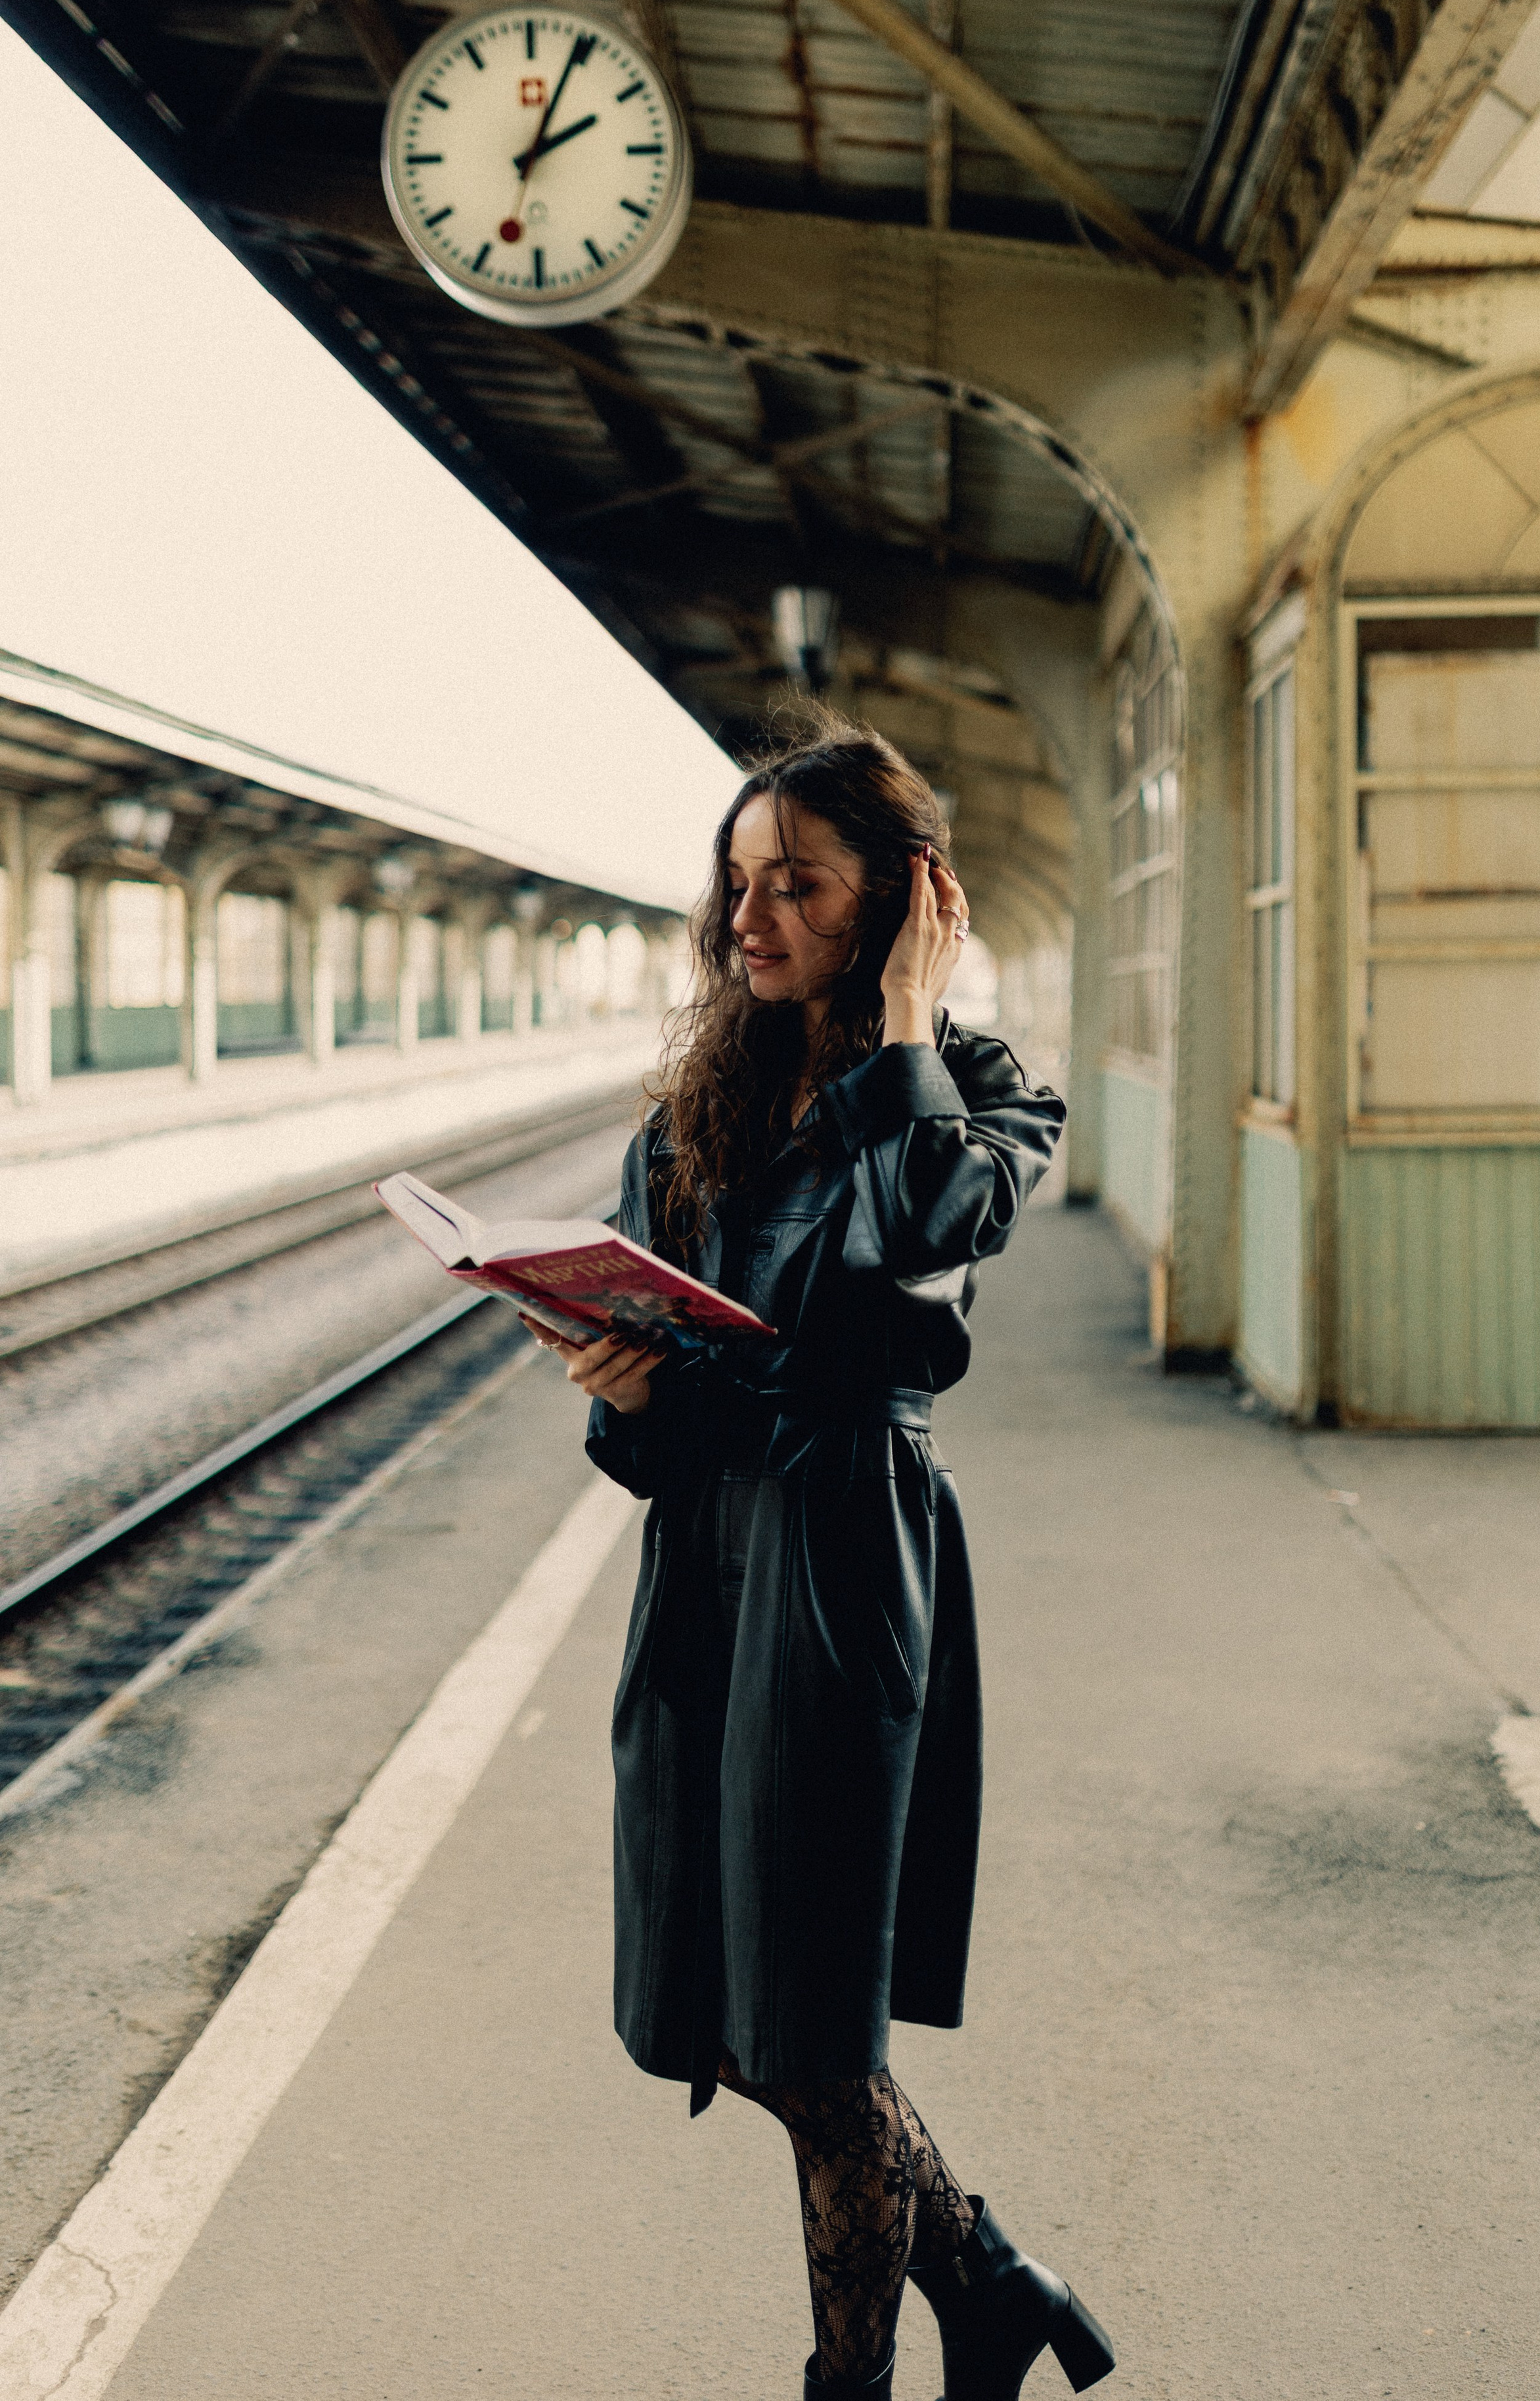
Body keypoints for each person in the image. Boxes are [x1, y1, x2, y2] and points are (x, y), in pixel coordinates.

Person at [526, 707, 1114, 2401]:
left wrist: (910, 1029)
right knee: (735, 2004)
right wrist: (623, 1387)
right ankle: (993, 2284)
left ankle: (852, 2378)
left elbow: (934, 1225)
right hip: (706, 1572)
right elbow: (653, 1444)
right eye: (737, 885)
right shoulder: (689, 1125)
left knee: (816, 2026)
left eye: (797, 882)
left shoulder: (981, 1092)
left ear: (899, 899)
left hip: (847, 1560)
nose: (751, 917)